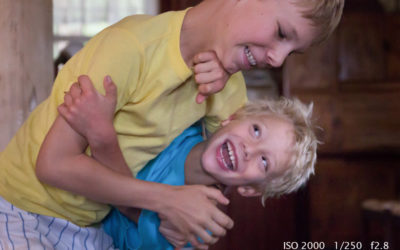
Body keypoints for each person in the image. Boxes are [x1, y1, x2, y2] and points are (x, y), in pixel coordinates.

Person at [0, 0, 343, 248]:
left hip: (88, 226)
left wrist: (187, 216)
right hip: (25, 205)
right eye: (282, 33)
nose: (277, 59)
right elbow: (53, 165)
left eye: (292, 52)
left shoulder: (229, 87)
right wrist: (168, 201)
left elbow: (213, 189)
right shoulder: (131, 47)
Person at [57, 78, 317, 250]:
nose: (249, 149)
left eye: (263, 162)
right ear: (232, 117)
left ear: (251, 190)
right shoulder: (185, 125)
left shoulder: (200, 221)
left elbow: (127, 204)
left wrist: (103, 138)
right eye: (256, 130)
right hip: (73, 199)